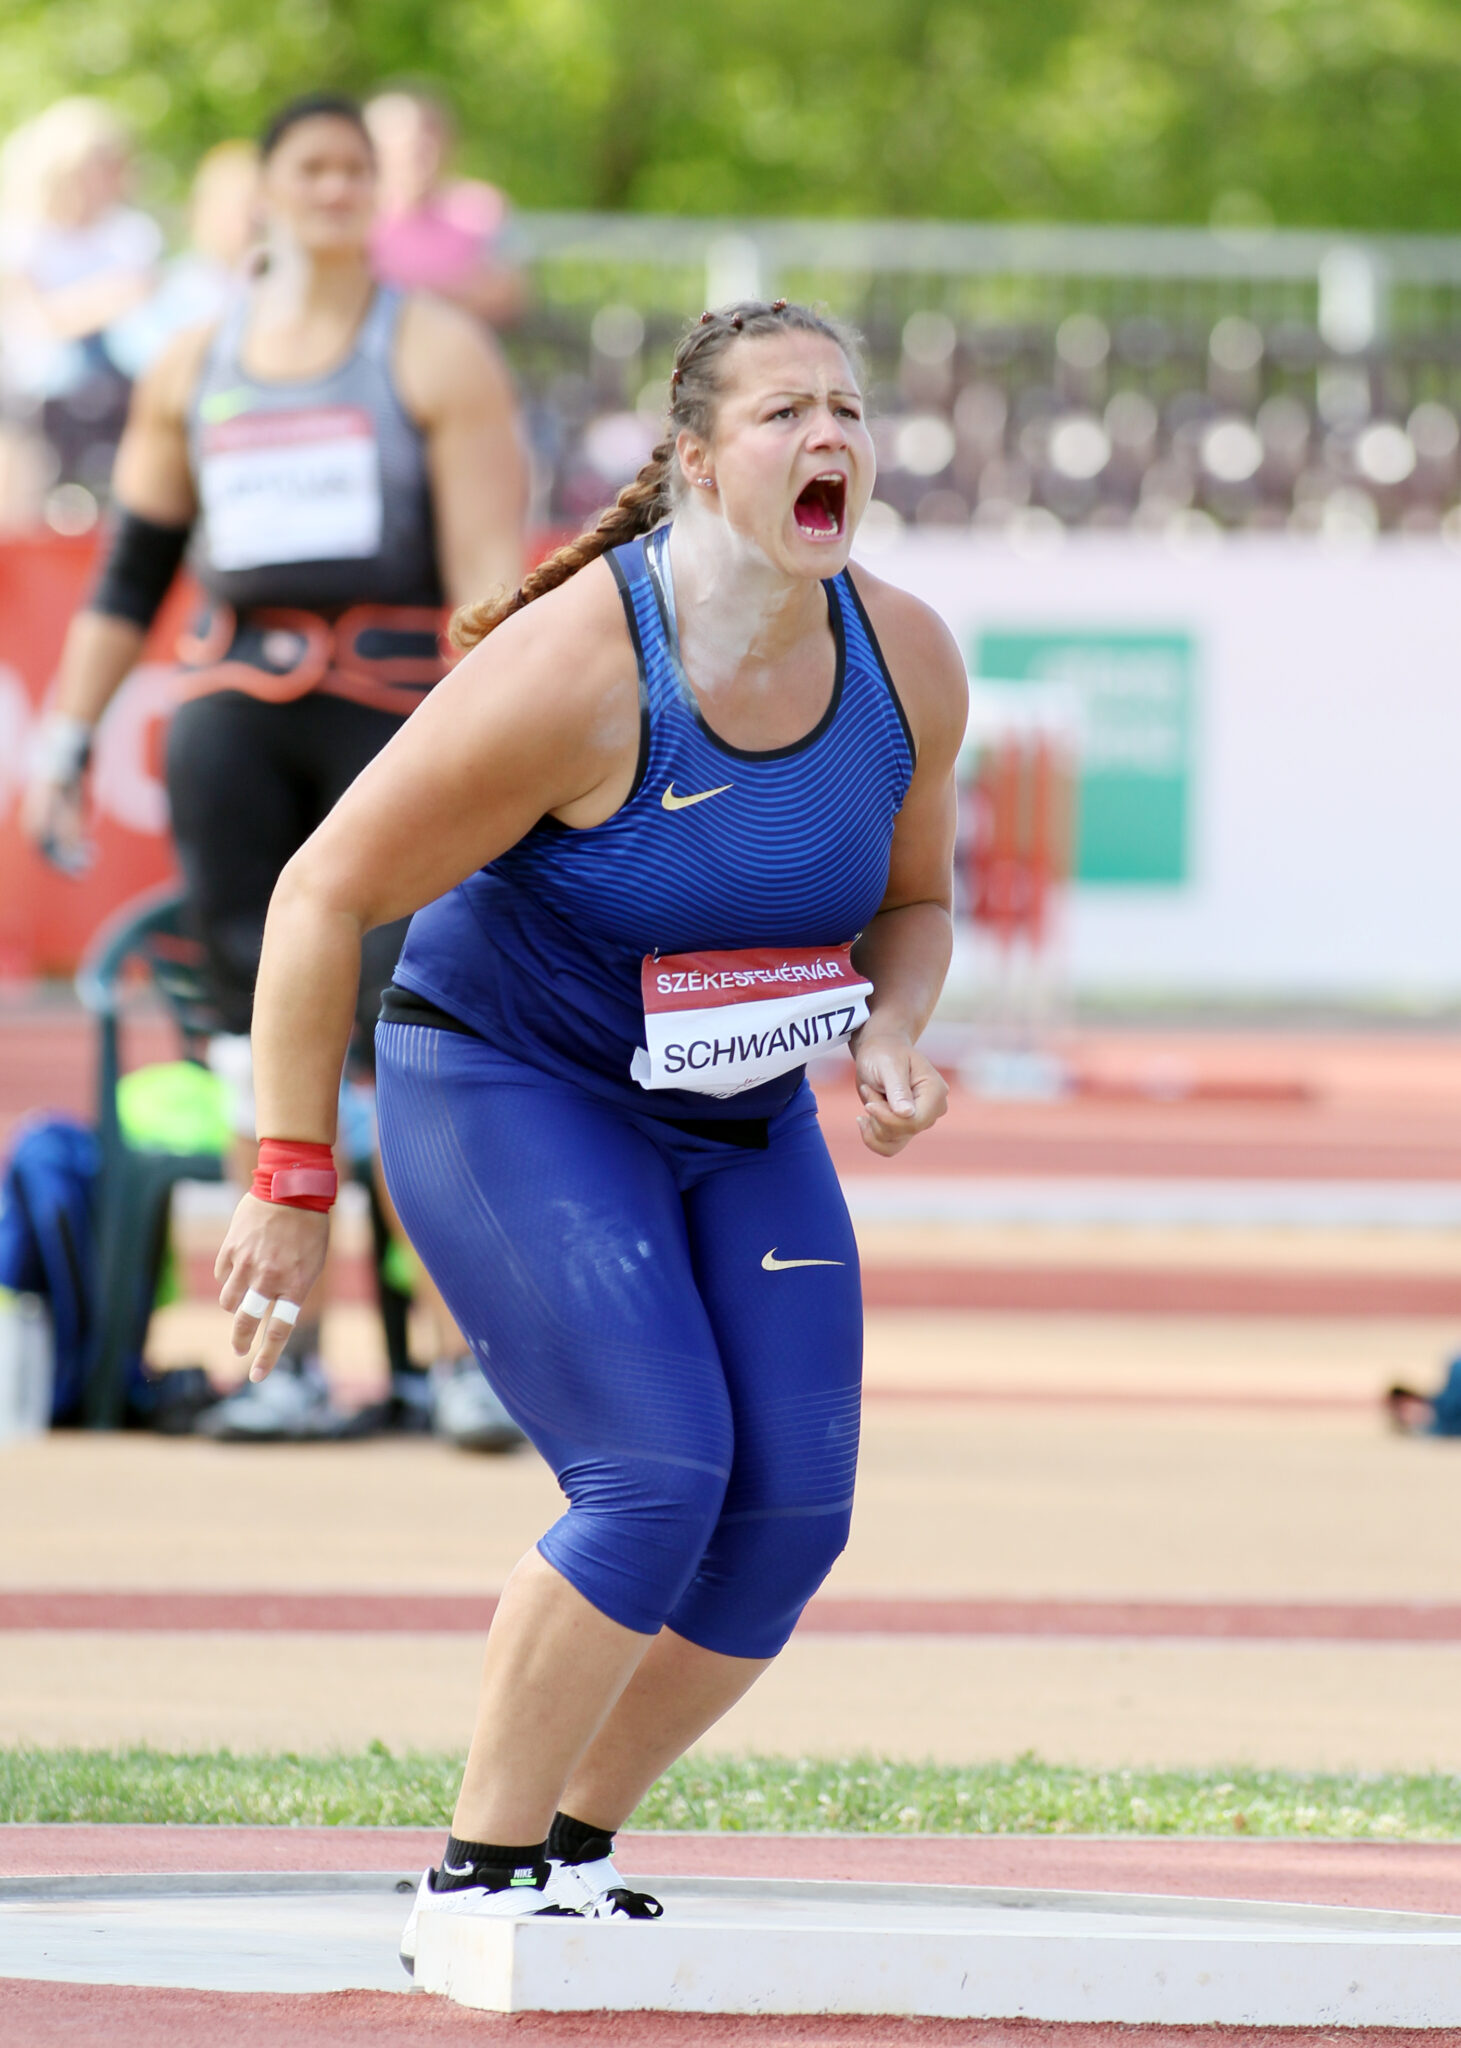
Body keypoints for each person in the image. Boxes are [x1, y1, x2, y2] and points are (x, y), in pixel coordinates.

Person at [210, 296, 966, 1943]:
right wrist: (286, 1179)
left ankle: (566, 1841)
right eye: (782, 414)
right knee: (656, 1471)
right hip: (512, 1085)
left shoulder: (907, 654)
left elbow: (912, 900)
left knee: (787, 1515)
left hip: (739, 1110)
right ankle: (469, 1877)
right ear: (696, 461)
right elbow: (320, 889)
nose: (829, 435)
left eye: (846, 407)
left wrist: (894, 1028)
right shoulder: (576, 668)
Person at [22, 91, 526, 1447]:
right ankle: (275, 1359)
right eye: (309, 168)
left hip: (395, 717)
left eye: (354, 171)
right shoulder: (197, 362)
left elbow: (492, 579)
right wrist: (66, 736)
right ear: (267, 192)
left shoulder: (434, 351)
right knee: (254, 1049)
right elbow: (131, 571)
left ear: (378, 193)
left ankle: (463, 1361)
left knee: (424, 1039)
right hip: (234, 723)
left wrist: (493, 744)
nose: (333, 191)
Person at [0, 97, 161, 495]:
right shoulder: (21, 236)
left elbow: (144, 307)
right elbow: (32, 324)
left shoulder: (131, 234)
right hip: (33, 397)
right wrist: (105, 300)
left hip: (118, 387)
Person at [364, 90, 526, 327]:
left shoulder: (483, 208)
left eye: (433, 138)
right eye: (413, 146)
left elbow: (509, 295)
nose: (426, 152)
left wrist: (399, 286)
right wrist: (458, 286)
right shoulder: (355, 212)